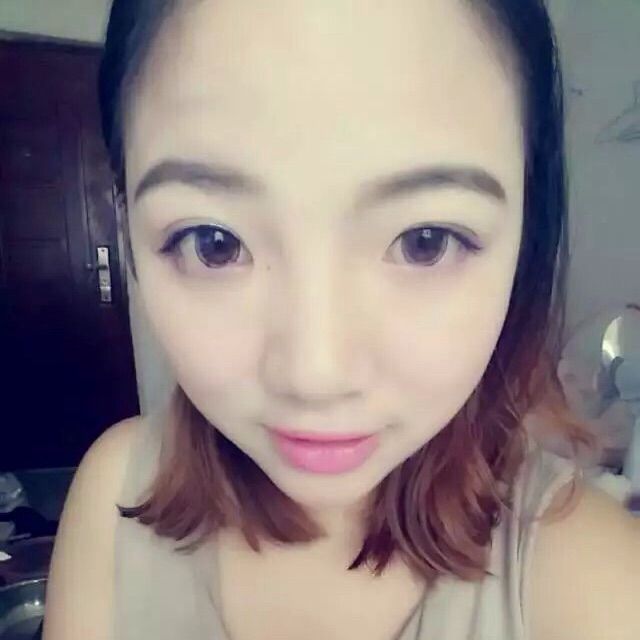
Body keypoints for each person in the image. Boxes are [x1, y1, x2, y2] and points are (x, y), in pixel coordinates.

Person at [43, 0, 640, 638]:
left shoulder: (601, 586)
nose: (315, 376)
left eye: (426, 241)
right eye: (214, 243)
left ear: (526, 240)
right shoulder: (117, 495)